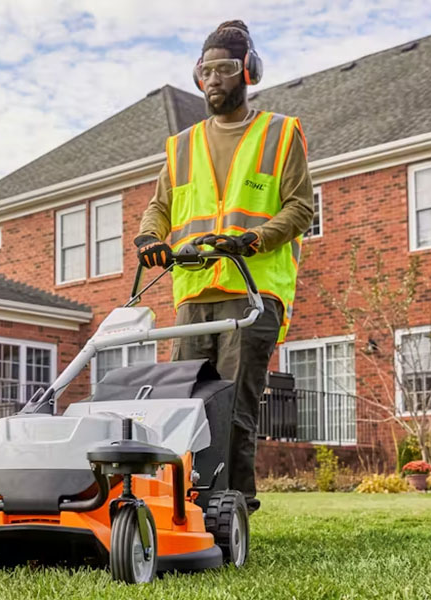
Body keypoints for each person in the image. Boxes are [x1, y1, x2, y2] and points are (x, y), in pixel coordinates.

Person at [134, 20, 314, 514]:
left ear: (249, 71)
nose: (214, 79)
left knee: (234, 408)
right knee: (183, 404)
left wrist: (253, 239)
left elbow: (301, 207)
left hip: (251, 291)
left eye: (226, 68)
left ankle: (232, 509)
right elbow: (160, 206)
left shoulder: (279, 133)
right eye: (205, 70)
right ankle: (183, 507)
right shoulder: (182, 145)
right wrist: (150, 236)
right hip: (194, 294)